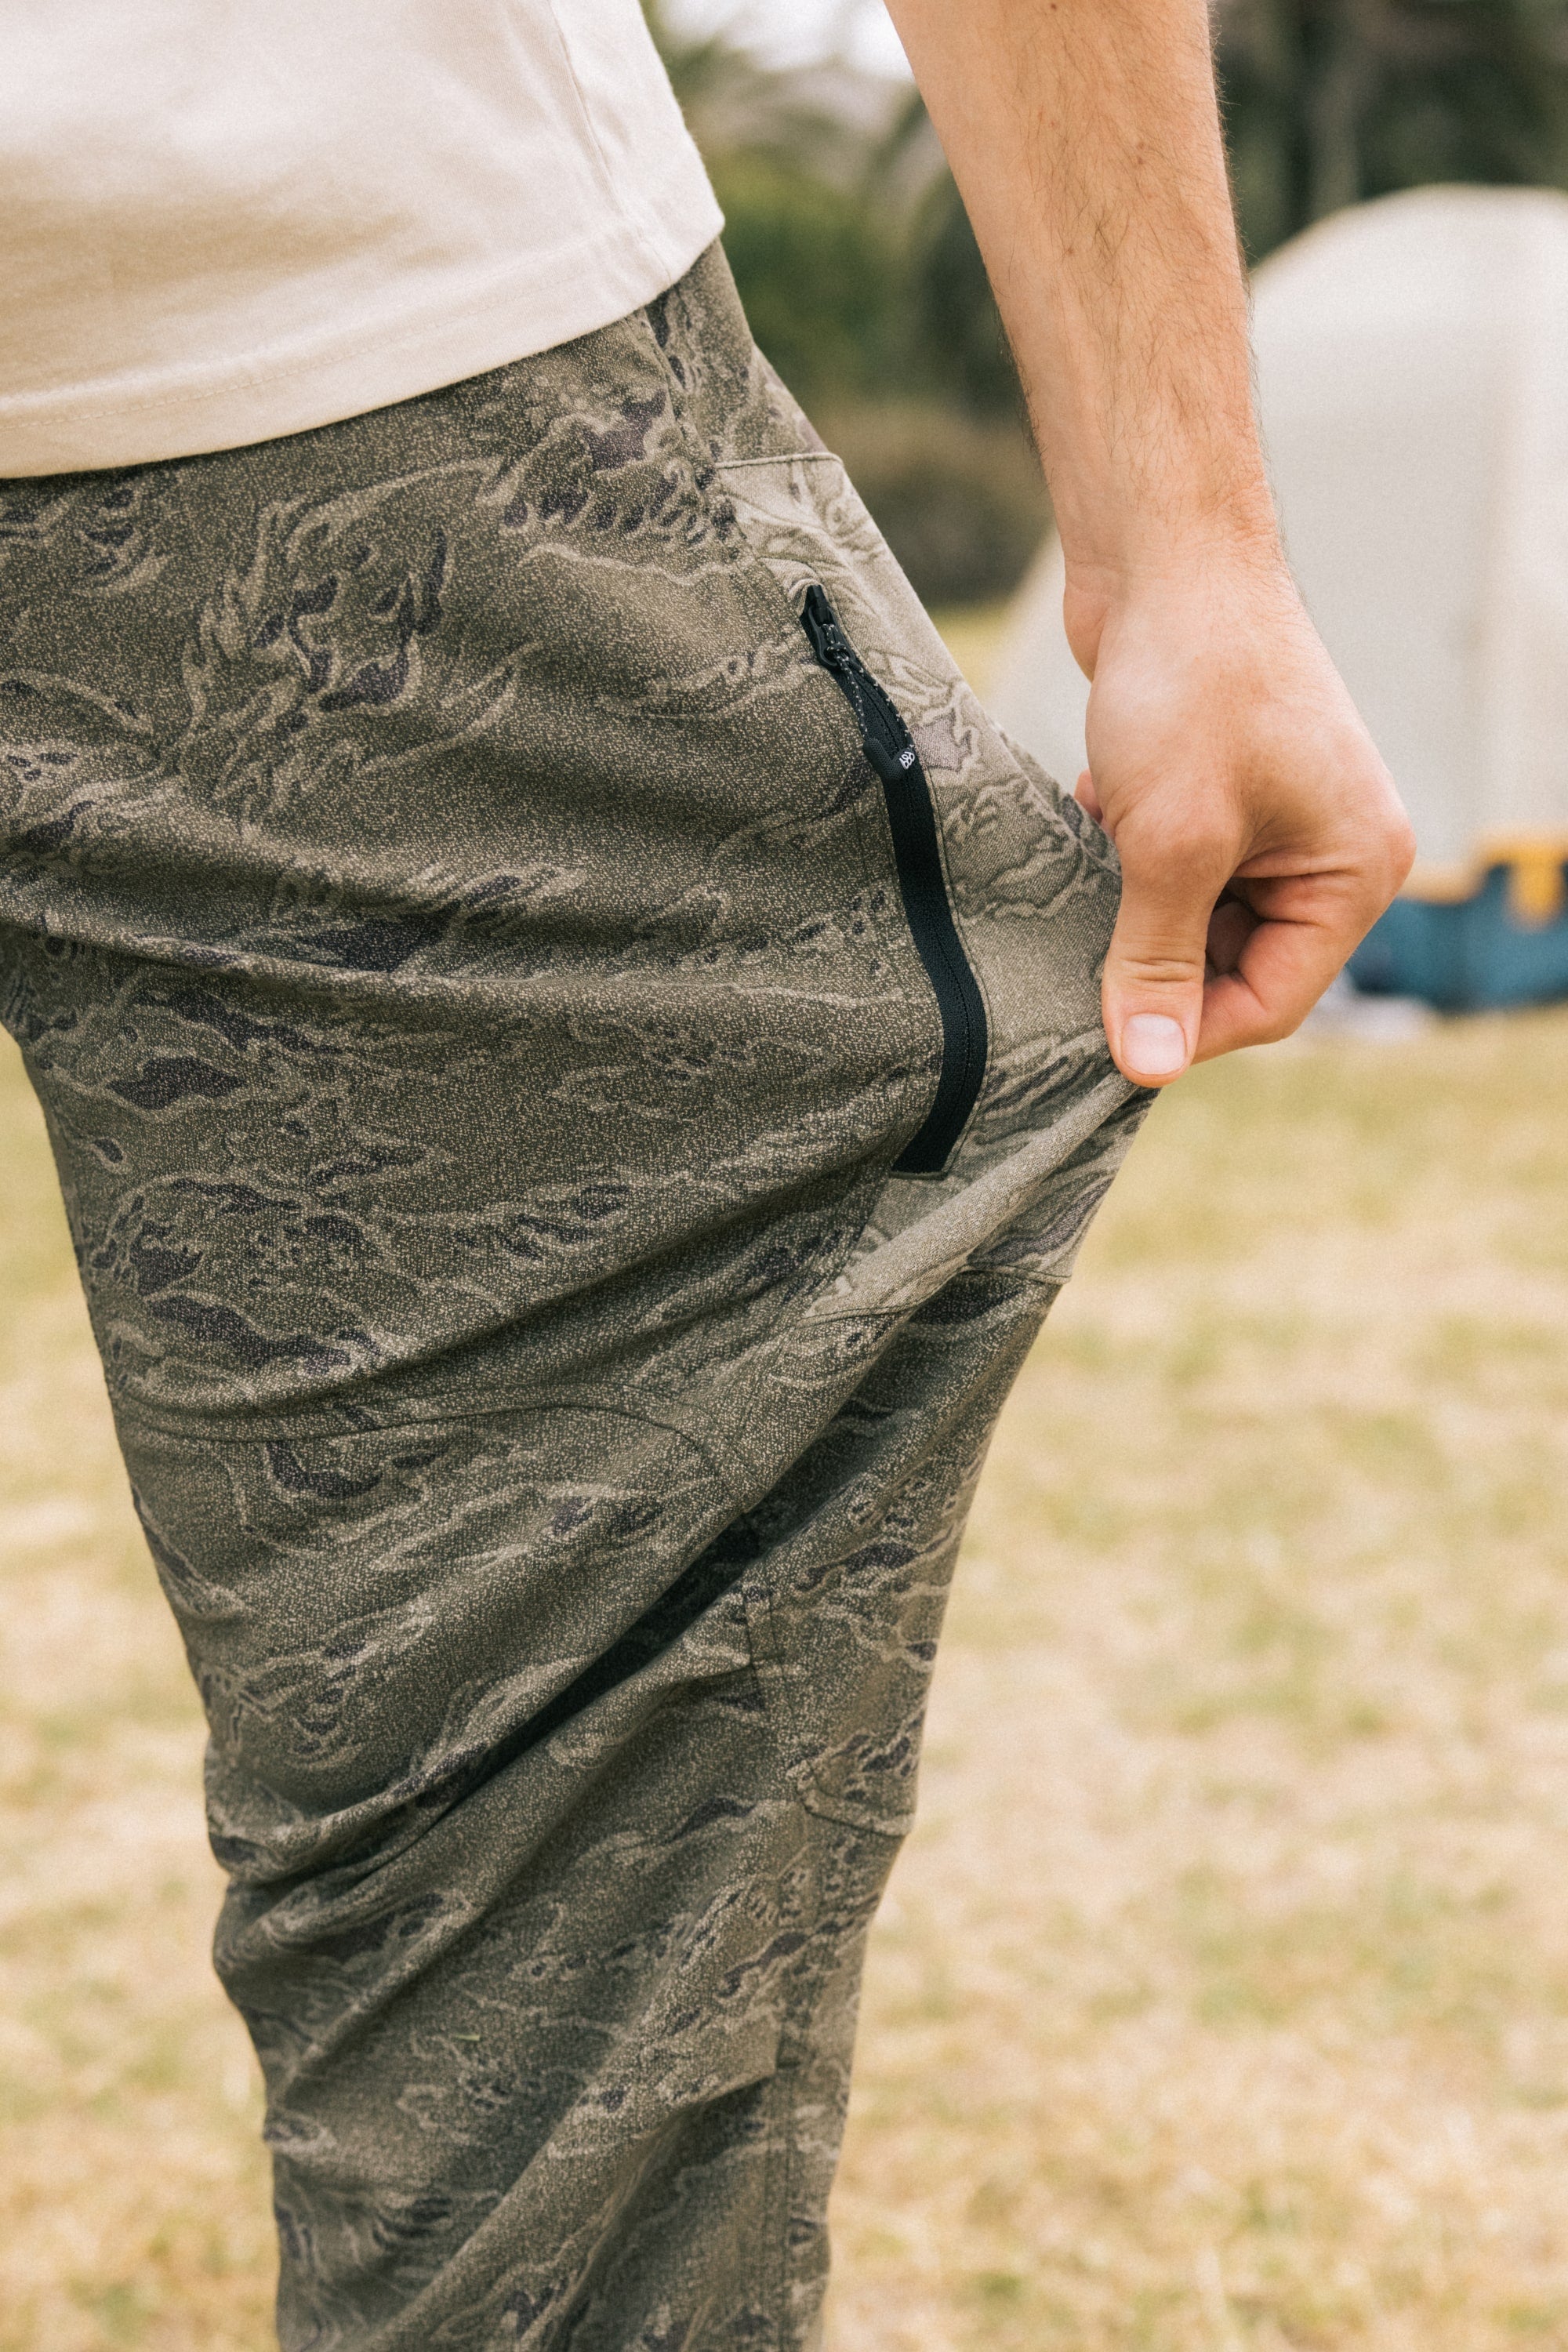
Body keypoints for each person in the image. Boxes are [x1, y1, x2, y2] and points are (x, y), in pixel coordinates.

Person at [0, 2, 1411, 2343]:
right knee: (546, 2130)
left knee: (553, 2053)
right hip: (347, 369)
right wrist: (1181, 540)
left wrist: (1184, 537)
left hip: (334, 356)